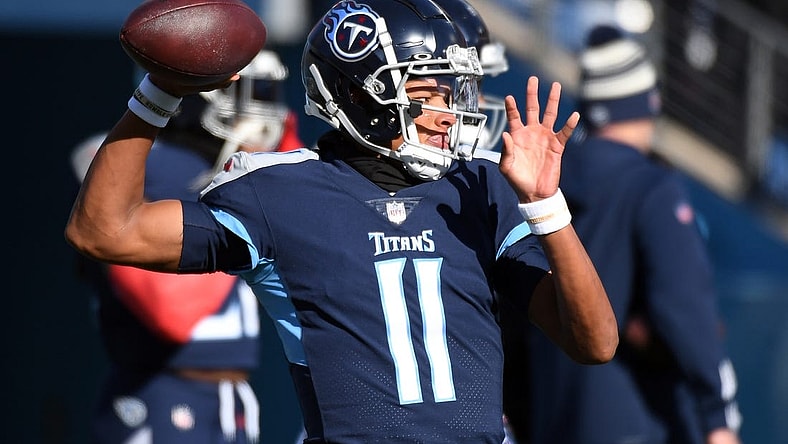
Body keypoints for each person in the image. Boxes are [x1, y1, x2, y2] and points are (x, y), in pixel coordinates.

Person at [65, 0, 618, 442]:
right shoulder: (276, 193)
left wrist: (547, 206)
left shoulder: (481, 188)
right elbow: (103, 231)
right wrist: (155, 97)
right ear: (362, 95)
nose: (449, 112)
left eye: (452, 91)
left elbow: (595, 342)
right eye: (427, 92)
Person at [512, 25, 742, 444]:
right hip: (638, 421)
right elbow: (683, 307)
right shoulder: (651, 186)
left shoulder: (542, 180)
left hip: (551, 419)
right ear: (647, 103)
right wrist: (718, 416)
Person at [70, 50, 304, 444]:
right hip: (161, 400)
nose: (266, 112)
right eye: (250, 91)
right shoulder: (164, 167)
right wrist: (248, 214)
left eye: (268, 92)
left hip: (229, 400)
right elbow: (173, 312)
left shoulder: (221, 171)